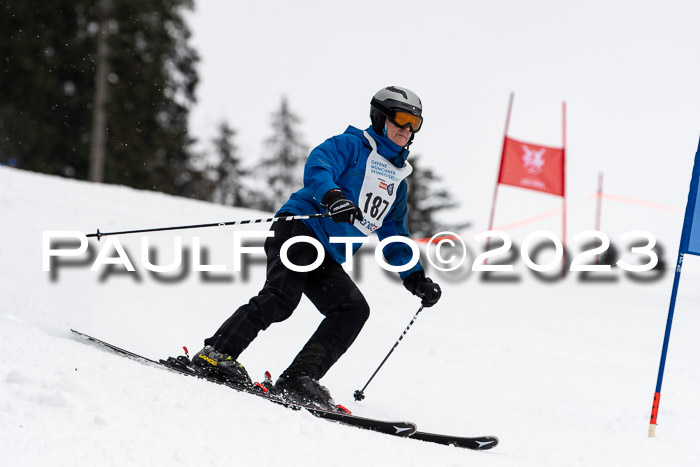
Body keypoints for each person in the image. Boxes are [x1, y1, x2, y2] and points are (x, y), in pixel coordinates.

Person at [191, 86, 442, 410]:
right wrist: (333, 196)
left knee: (352, 309)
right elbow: (319, 165)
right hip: (300, 229)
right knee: (282, 297)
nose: (407, 129)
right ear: (380, 118)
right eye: (401, 119)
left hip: (327, 254)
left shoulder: (397, 182)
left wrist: (415, 278)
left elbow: (395, 235)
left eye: (415, 123)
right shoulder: (353, 145)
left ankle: (298, 378)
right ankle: (216, 354)